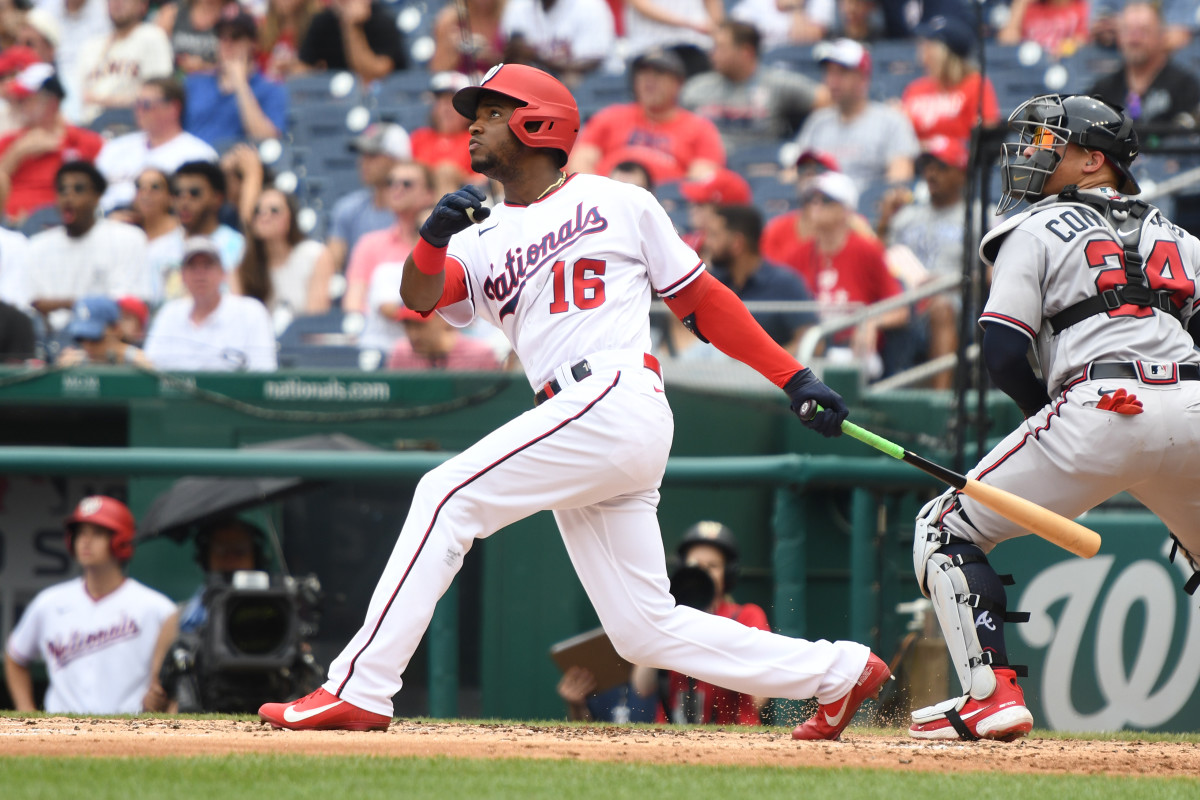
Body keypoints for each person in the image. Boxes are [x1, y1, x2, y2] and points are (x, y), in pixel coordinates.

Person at [258, 63, 891, 739]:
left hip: (613, 391)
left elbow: (701, 301)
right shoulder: (478, 233)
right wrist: (431, 238)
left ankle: (359, 687)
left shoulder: (621, 201)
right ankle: (839, 672)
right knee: (644, 630)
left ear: (538, 123)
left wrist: (793, 376)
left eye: (492, 112)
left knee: (446, 496)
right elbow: (420, 299)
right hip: (578, 417)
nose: (473, 124)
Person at [908, 93, 1200, 742]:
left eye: (1053, 145)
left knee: (942, 527)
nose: (1035, 155)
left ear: (1095, 162)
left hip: (1102, 405)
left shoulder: (1034, 227)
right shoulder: (1184, 238)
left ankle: (991, 694)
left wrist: (1056, 429)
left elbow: (1005, 352)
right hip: (1194, 406)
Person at [4, 495, 176, 714]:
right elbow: (15, 656)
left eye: (97, 533)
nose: (85, 541)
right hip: (61, 730)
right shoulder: (49, 603)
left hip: (128, 731)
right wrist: (25, 708)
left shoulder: (157, 608)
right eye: (81, 533)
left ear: (121, 540)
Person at [766, 170, 908, 377]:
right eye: (810, 199)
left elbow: (900, 310)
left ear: (845, 209)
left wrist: (870, 322)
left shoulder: (866, 250)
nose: (814, 206)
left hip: (853, 350)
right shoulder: (799, 253)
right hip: (810, 347)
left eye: (824, 200)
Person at [632, 521, 771, 725]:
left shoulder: (747, 616)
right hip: (672, 739)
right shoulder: (668, 616)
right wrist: (662, 624)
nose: (703, 572)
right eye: (696, 565)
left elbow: (760, 699)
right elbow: (641, 687)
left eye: (712, 566)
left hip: (734, 739)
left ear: (728, 574)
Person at [877, 135, 969, 388]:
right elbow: (877, 260)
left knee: (941, 305)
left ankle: (939, 402)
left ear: (961, 174)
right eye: (927, 167)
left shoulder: (979, 214)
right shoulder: (905, 217)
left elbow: (993, 272)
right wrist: (884, 223)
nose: (931, 174)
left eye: (941, 167)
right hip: (905, 297)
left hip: (953, 300)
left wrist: (951, 281)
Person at [569, 48, 726, 185]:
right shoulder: (609, 116)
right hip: (607, 205)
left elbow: (701, 180)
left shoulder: (700, 128)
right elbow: (580, 163)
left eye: (659, 73)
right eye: (643, 73)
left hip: (666, 208)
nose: (649, 80)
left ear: (678, 83)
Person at [23, 161, 151, 322]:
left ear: (97, 196)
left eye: (78, 189)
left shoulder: (128, 238)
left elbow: (125, 303)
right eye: (62, 190)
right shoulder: (37, 245)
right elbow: (29, 303)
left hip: (105, 334)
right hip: (49, 338)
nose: (68, 196)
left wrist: (64, 303)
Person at [791, 38, 918, 198]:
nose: (833, 80)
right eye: (829, 72)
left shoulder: (891, 121)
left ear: (863, 77)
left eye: (842, 72)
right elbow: (793, 176)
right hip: (822, 209)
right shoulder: (817, 121)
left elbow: (900, 180)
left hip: (870, 212)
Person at [680, 19, 827, 150]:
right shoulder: (696, 87)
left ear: (746, 51)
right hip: (708, 167)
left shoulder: (776, 83)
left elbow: (829, 99)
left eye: (721, 47)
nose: (713, 53)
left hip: (759, 165)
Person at [143, 235, 277, 371]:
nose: (200, 274)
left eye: (207, 266)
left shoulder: (251, 312)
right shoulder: (169, 313)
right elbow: (151, 368)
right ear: (182, 276)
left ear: (223, 273)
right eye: (192, 267)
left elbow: (264, 372)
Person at [310, 122, 411, 291]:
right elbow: (331, 264)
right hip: (358, 297)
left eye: (373, 155)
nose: (363, 162)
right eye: (363, 155)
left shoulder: (417, 210)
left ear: (398, 161)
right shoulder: (347, 208)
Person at [701, 203, 815, 352]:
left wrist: (766, 366)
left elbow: (812, 344)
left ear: (737, 243)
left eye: (714, 235)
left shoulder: (785, 284)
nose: (707, 243)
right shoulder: (711, 282)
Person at [95, 77, 219, 214]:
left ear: (173, 108)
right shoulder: (116, 147)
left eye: (146, 105)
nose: (139, 110)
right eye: (137, 104)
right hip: (105, 223)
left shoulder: (198, 155)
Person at [344, 160, 434, 348]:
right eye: (391, 182)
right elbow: (354, 303)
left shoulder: (447, 244)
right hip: (381, 341)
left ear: (429, 194)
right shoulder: (369, 244)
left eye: (407, 184)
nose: (397, 188)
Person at [0, 63, 103, 225]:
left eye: (25, 100)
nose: (17, 105)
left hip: (62, 228)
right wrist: (16, 153)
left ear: (51, 103)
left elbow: (98, 194)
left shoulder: (85, 141)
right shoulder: (8, 142)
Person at [183, 8, 288, 148]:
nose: (227, 43)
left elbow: (268, 141)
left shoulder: (271, 89)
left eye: (236, 36)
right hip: (192, 164)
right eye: (222, 36)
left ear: (253, 43)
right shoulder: (194, 83)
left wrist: (240, 84)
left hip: (237, 164)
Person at [1086, 3, 1200, 128]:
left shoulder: (1185, 87)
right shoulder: (1103, 91)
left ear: (1161, 36)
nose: (1134, 39)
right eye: (1128, 30)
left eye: (1143, 31)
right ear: (1119, 37)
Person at [900, 14, 1000, 148]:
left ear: (946, 53)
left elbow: (985, 140)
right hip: (916, 164)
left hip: (959, 165)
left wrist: (938, 146)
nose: (923, 52)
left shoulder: (975, 84)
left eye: (929, 46)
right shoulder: (915, 88)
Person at [69, 0, 173, 125]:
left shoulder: (152, 37)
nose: (117, 3)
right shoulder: (90, 46)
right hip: (87, 126)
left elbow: (158, 95)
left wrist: (103, 100)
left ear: (143, 6)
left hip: (129, 124)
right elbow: (77, 98)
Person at [230, 187, 327, 319]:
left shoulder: (314, 254)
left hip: (300, 337)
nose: (264, 216)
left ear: (291, 218)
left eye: (274, 210)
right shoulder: (242, 260)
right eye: (257, 211)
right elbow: (238, 317)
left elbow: (315, 320)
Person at [500, 0, 616, 86]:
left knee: (573, 79)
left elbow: (592, 61)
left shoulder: (590, 5)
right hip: (537, 86)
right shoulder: (518, 6)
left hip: (592, 87)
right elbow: (511, 55)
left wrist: (537, 57)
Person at [297, 0, 407, 83]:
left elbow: (373, 74)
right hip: (335, 101)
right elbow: (302, 67)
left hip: (381, 101)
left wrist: (352, 27)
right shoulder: (322, 21)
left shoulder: (383, 20)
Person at [409, 71, 479, 198]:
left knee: (446, 171)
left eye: (454, 103)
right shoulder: (419, 137)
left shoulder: (477, 138)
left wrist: (455, 176)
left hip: (464, 201)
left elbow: (487, 180)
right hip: (419, 202)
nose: (447, 108)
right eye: (442, 101)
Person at [171, 160, 244, 271]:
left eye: (194, 193)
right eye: (178, 193)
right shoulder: (161, 248)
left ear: (217, 198)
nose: (184, 202)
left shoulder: (239, 247)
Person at [622, 0, 724, 79]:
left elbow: (713, 7)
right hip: (650, 47)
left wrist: (717, 32)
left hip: (696, 47)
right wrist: (689, 23)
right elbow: (640, 5)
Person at [386, 307, 501, 371]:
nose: (413, 334)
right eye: (407, 325)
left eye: (419, 325)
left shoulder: (479, 353)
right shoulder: (401, 353)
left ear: (443, 318)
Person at [131, 167, 185, 302]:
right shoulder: (127, 234)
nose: (146, 193)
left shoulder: (183, 234)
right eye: (140, 187)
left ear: (170, 197)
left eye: (155, 187)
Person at [55, 294, 150, 366]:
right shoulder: (78, 362)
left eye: (94, 338)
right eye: (81, 338)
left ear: (116, 330)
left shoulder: (139, 362)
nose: (87, 345)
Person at [428, 0, 505, 77]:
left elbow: (509, 64)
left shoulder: (505, 17)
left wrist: (489, 56)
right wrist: (455, 49)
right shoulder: (451, 20)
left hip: (493, 83)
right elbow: (437, 69)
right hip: (459, 84)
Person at [996, 0, 1090, 58]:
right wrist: (1021, 3)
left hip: (1061, 67)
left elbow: (1081, 40)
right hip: (1029, 65)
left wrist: (1065, 49)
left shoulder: (1078, 7)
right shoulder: (1032, 8)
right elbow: (1006, 40)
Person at [155, 0, 225, 74]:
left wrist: (203, 66)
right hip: (173, 76)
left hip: (212, 79)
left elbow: (230, 64)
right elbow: (156, 50)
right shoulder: (173, 11)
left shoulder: (229, 15)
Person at [257, 0, 321, 81]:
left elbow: (324, 73)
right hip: (266, 91)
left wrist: (296, 67)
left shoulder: (318, 29)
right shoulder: (261, 30)